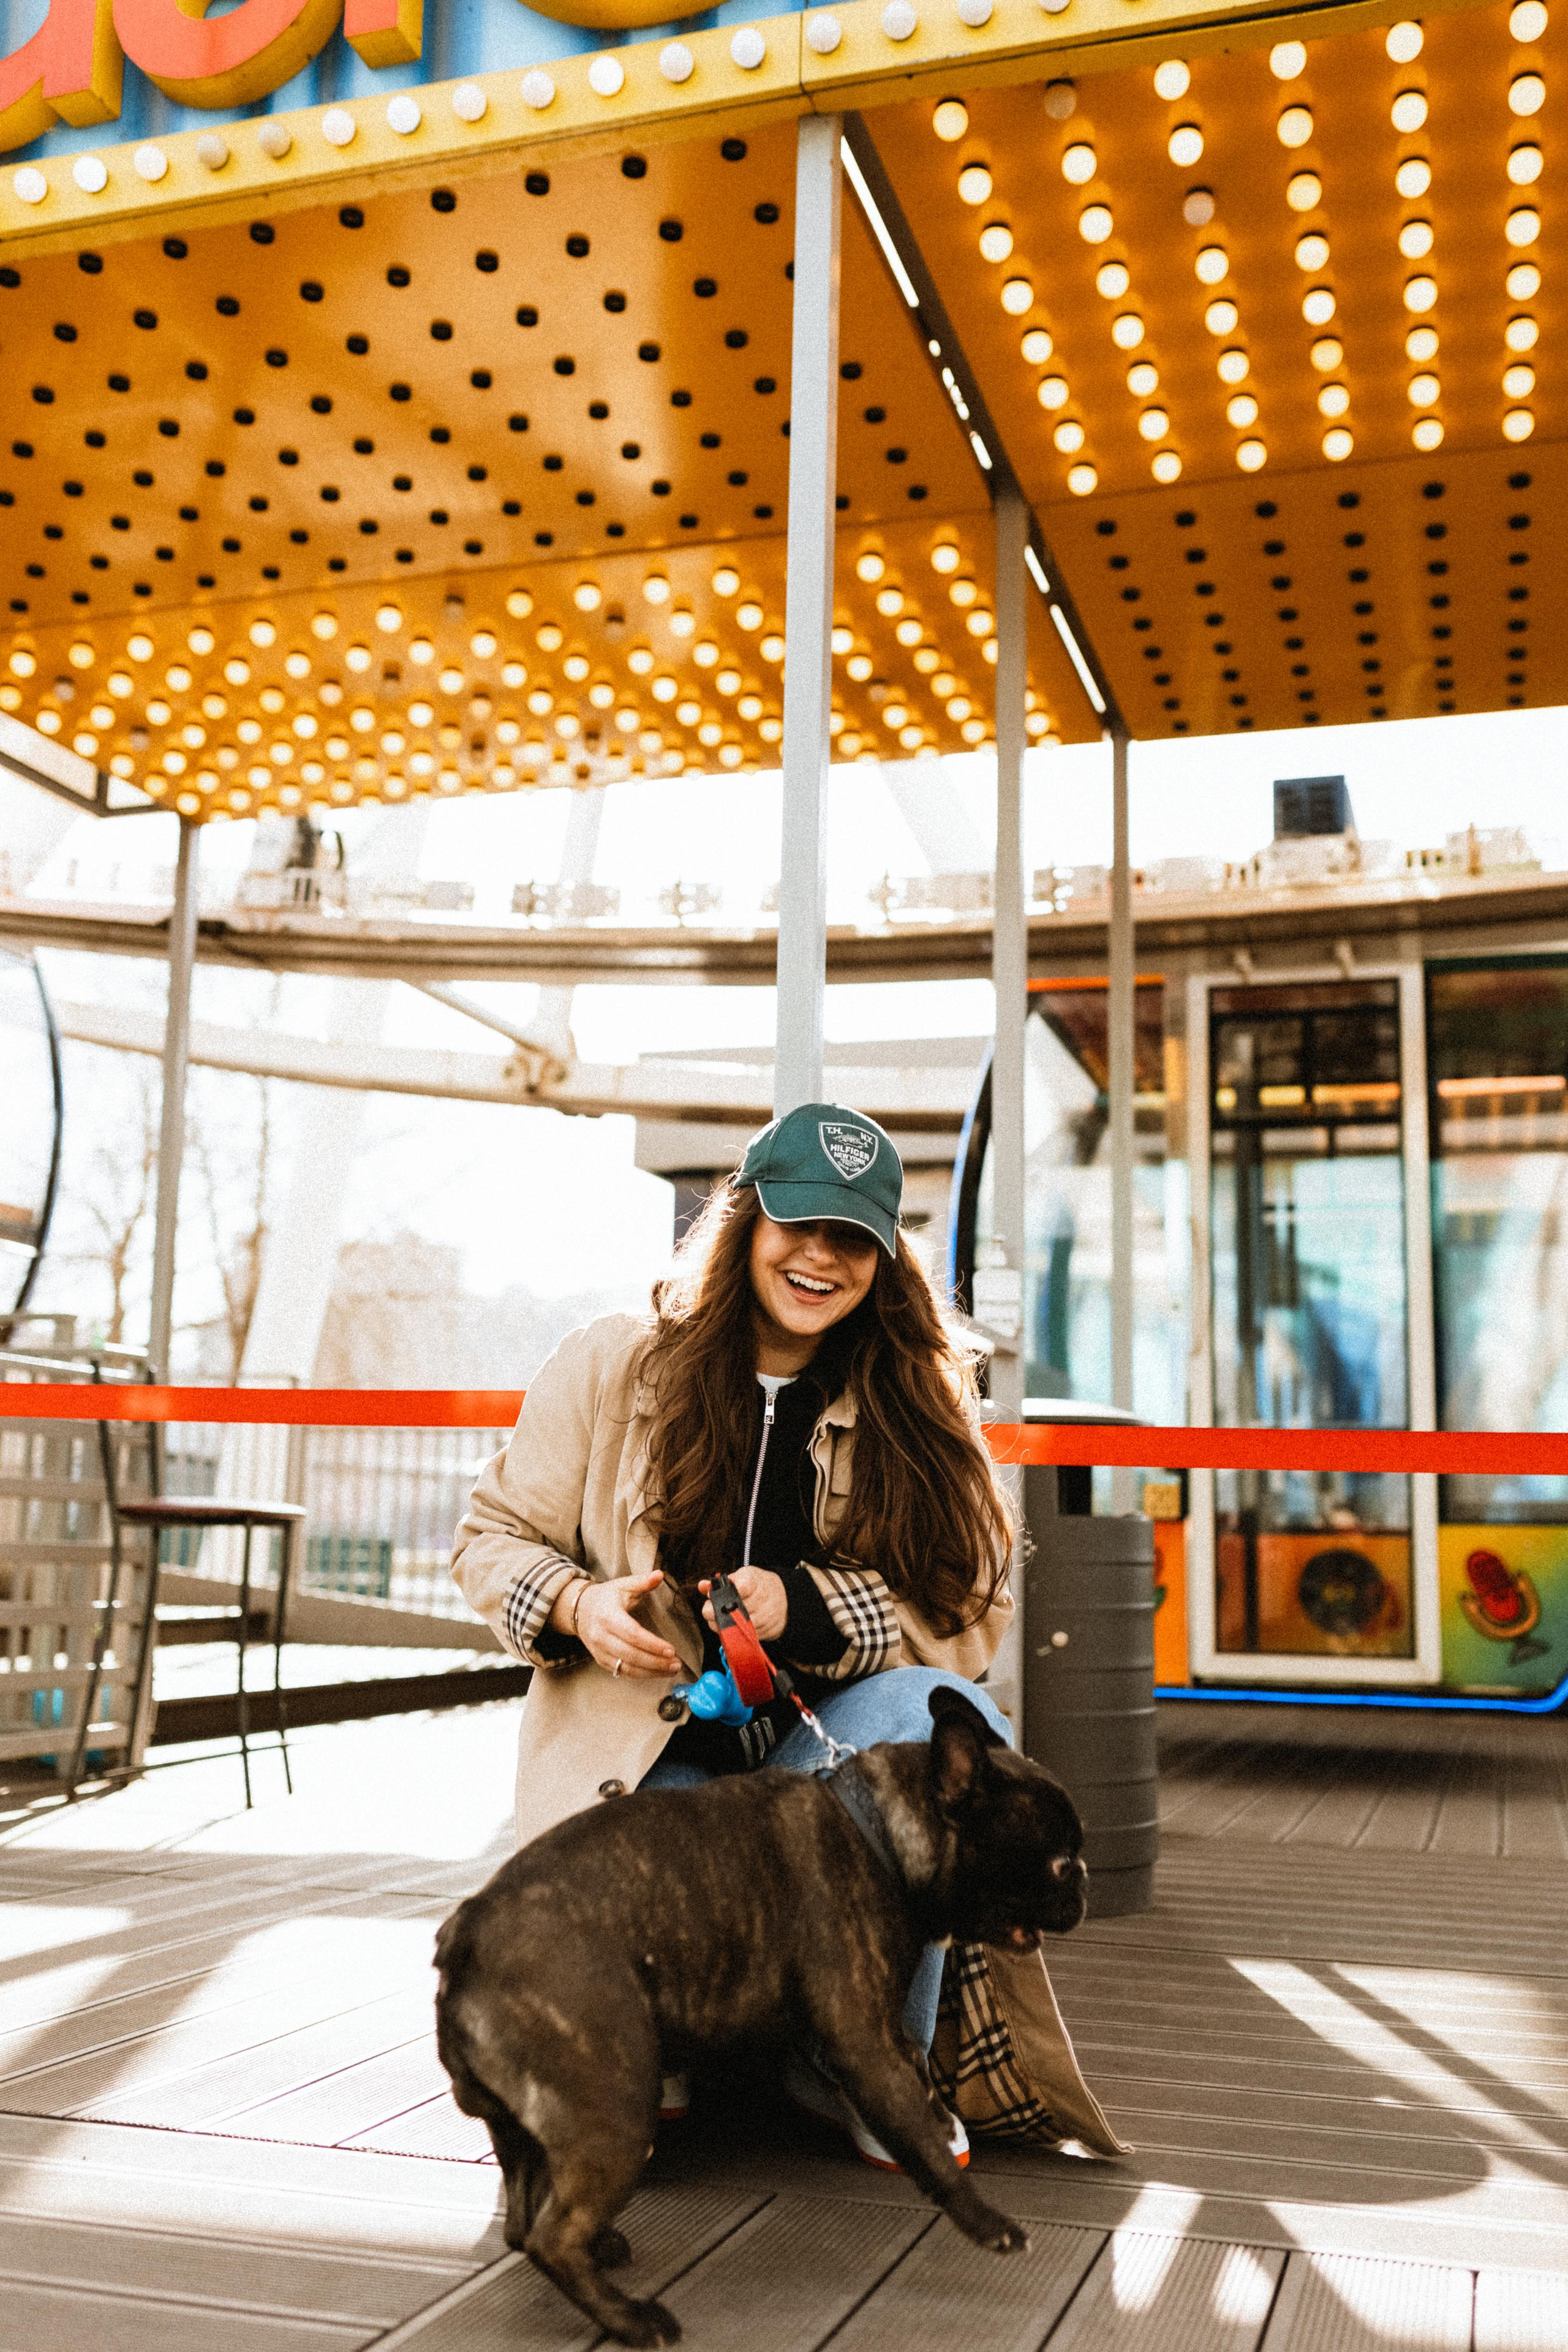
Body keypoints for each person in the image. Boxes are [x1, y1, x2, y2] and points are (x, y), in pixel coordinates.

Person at [451, 1099, 1017, 2166]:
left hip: (817, 1773)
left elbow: (972, 1617)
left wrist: (806, 1606)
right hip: (650, 1764)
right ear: (746, 1221)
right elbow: (492, 1537)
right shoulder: (612, 1361)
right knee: (626, 2101)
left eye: (853, 1237)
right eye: (798, 1223)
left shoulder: (923, 1400)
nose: (821, 1257)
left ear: (884, 1259)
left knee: (940, 1718)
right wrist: (580, 1607)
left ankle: (868, 2059)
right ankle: (672, 2045)